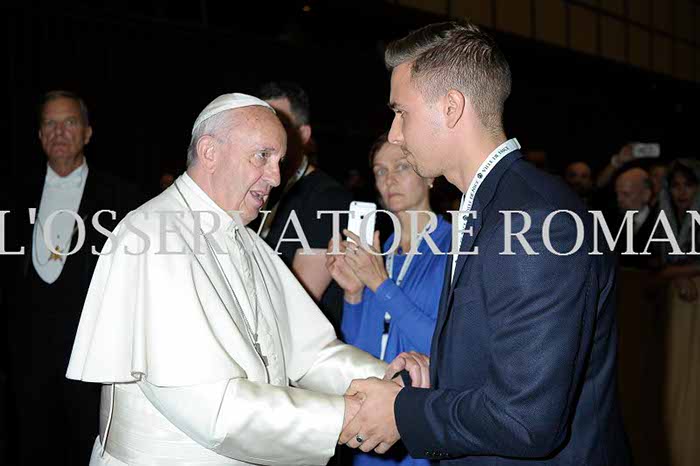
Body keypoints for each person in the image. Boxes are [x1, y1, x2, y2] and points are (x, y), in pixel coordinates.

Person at [65, 93, 427, 466]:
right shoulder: (154, 237)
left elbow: (310, 353)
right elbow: (214, 411)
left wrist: (390, 378)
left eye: (280, 162)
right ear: (209, 152)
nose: (275, 176)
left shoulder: (246, 240)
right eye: (262, 156)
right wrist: (348, 416)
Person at [338, 21, 630, 465]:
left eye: (402, 112)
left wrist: (403, 413)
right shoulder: (493, 205)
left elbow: (526, 421)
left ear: (451, 108)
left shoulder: (535, 221)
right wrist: (441, 372)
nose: (395, 133)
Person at [4, 90, 143, 465]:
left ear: (87, 133)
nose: (59, 131)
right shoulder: (13, 195)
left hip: (90, 361)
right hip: (26, 362)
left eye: (69, 122)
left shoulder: (122, 198)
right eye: (49, 123)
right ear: (39, 135)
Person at [327, 133, 451, 466]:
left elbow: (445, 347)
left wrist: (379, 284)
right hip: (371, 429)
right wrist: (354, 293)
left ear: (429, 174)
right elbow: (361, 349)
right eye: (380, 171)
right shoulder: (378, 253)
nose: (389, 179)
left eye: (401, 167)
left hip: (419, 426)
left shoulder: (454, 249)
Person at [257, 81, 353, 333]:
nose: (269, 139)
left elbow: (298, 304)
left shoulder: (328, 199)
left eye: (281, 127)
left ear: (304, 135)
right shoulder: (262, 193)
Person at [654, 159, 700, 466]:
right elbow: (652, 264)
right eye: (676, 185)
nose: (682, 192)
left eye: (689, 184)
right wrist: (674, 275)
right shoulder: (665, 217)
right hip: (669, 306)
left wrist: (677, 274)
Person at [614, 167, 657, 268]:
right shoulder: (613, 221)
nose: (619, 199)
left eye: (626, 194)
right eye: (617, 194)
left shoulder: (660, 224)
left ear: (646, 194)